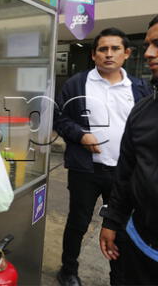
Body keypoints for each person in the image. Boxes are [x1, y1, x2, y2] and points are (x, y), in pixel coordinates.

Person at [53, 27, 151, 286]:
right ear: (94, 55)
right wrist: (80, 135)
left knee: (120, 227)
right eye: (103, 49)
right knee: (77, 223)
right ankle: (68, 270)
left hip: (124, 173)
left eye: (115, 49)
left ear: (127, 54)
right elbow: (59, 118)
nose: (109, 54)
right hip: (86, 170)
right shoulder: (77, 83)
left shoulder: (140, 88)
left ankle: (118, 276)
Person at [99, 16, 158, 285]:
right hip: (141, 244)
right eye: (148, 45)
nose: (149, 53)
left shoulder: (137, 87)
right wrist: (112, 220)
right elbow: (127, 172)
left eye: (157, 44)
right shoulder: (145, 109)